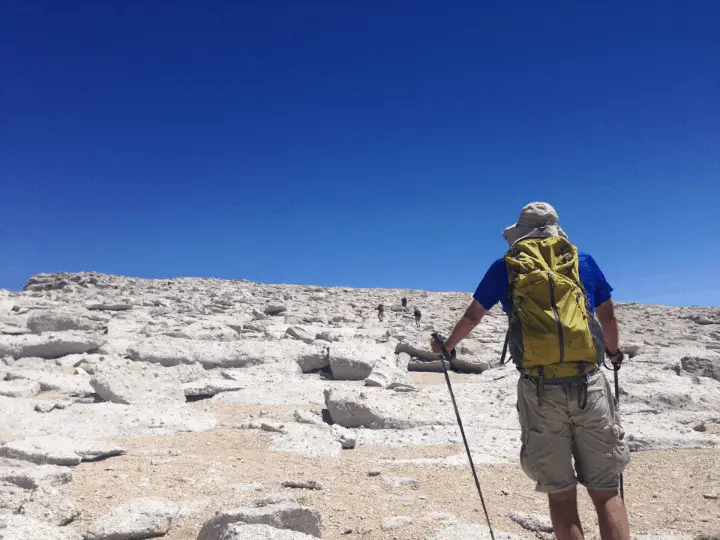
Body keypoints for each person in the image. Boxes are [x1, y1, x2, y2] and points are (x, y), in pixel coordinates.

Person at [431, 202, 630, 540]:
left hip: (540, 389)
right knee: (606, 489)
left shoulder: (506, 266)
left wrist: (446, 347)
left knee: (561, 493)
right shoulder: (582, 262)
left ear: (520, 231)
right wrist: (613, 353)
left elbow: (473, 316)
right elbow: (607, 318)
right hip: (588, 382)